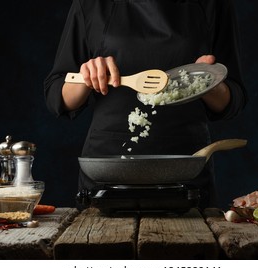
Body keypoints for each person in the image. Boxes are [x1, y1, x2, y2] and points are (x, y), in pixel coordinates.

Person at [44, 0, 247, 210]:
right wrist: (87, 77)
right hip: (106, 171)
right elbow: (56, 95)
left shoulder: (214, 5)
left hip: (186, 169)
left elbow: (234, 100)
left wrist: (208, 83)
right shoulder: (90, 5)